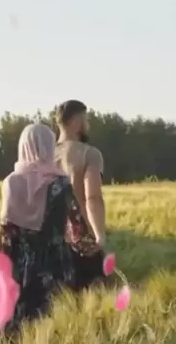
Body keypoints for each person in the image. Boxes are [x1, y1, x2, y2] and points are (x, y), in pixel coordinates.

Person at [0, 122, 100, 334]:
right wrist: (95, 249)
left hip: (20, 269)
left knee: (19, 329)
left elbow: (6, 233)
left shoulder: (10, 183)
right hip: (56, 268)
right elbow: (78, 231)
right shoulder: (61, 184)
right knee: (56, 326)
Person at [55, 100, 107, 288]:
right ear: (76, 121)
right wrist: (99, 235)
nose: (88, 124)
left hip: (48, 241)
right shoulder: (89, 154)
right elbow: (92, 197)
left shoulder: (43, 155)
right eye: (86, 119)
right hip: (81, 241)